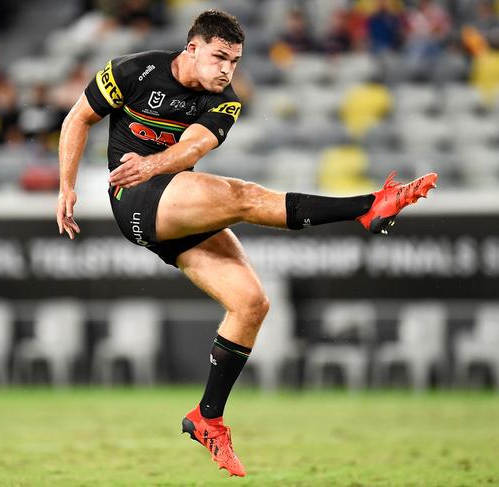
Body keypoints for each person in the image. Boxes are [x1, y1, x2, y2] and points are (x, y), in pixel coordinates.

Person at [55, 9, 437, 477]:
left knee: (252, 304)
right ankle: (368, 206)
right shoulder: (131, 71)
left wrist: (154, 164)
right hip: (133, 200)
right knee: (243, 196)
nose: (226, 70)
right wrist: (66, 186)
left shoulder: (225, 100)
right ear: (192, 48)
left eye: (234, 61)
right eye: (219, 57)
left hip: (175, 201)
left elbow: (193, 149)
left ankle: (207, 418)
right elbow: (78, 119)